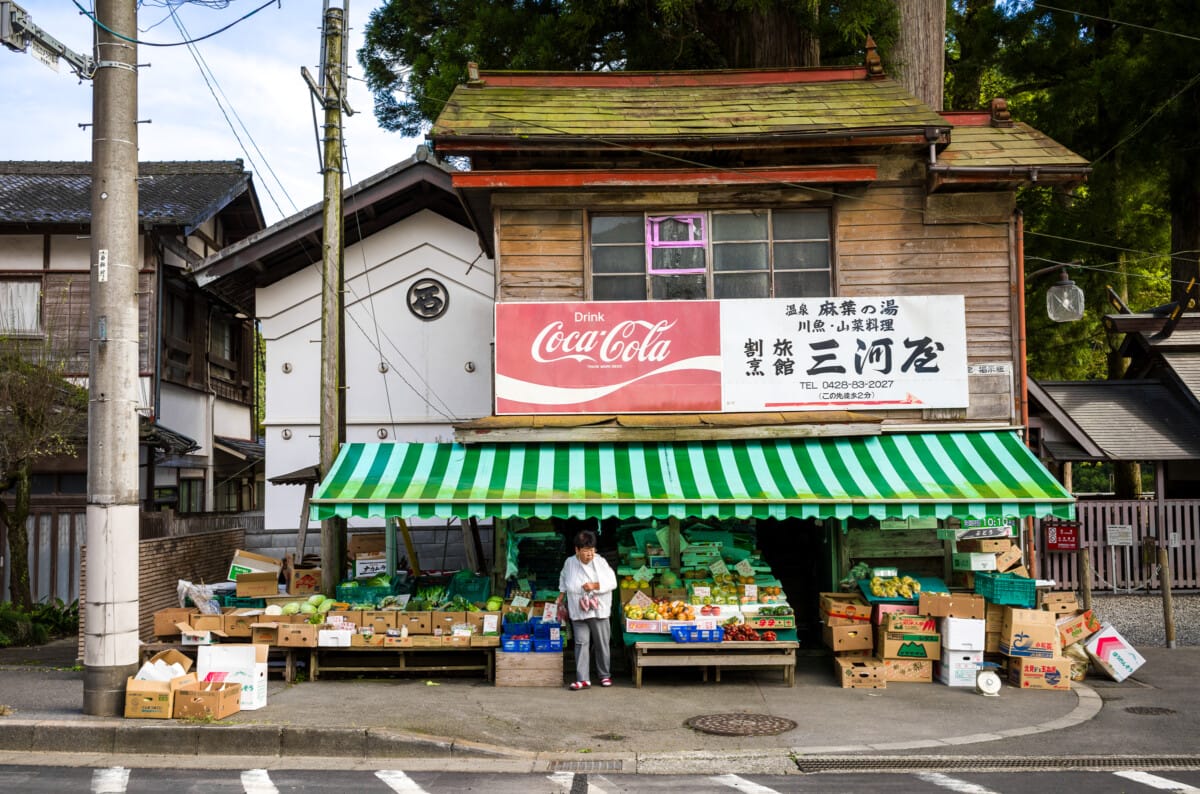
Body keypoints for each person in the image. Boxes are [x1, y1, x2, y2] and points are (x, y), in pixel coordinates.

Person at [557, 529, 617, 690]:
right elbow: (563, 578)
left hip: (598, 608)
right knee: (581, 643)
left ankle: (604, 675)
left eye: (591, 550)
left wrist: (594, 586)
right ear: (577, 550)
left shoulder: (600, 562)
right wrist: (561, 596)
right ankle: (583, 678)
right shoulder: (570, 562)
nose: (589, 554)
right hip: (578, 607)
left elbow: (612, 582)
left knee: (601, 643)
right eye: (585, 551)